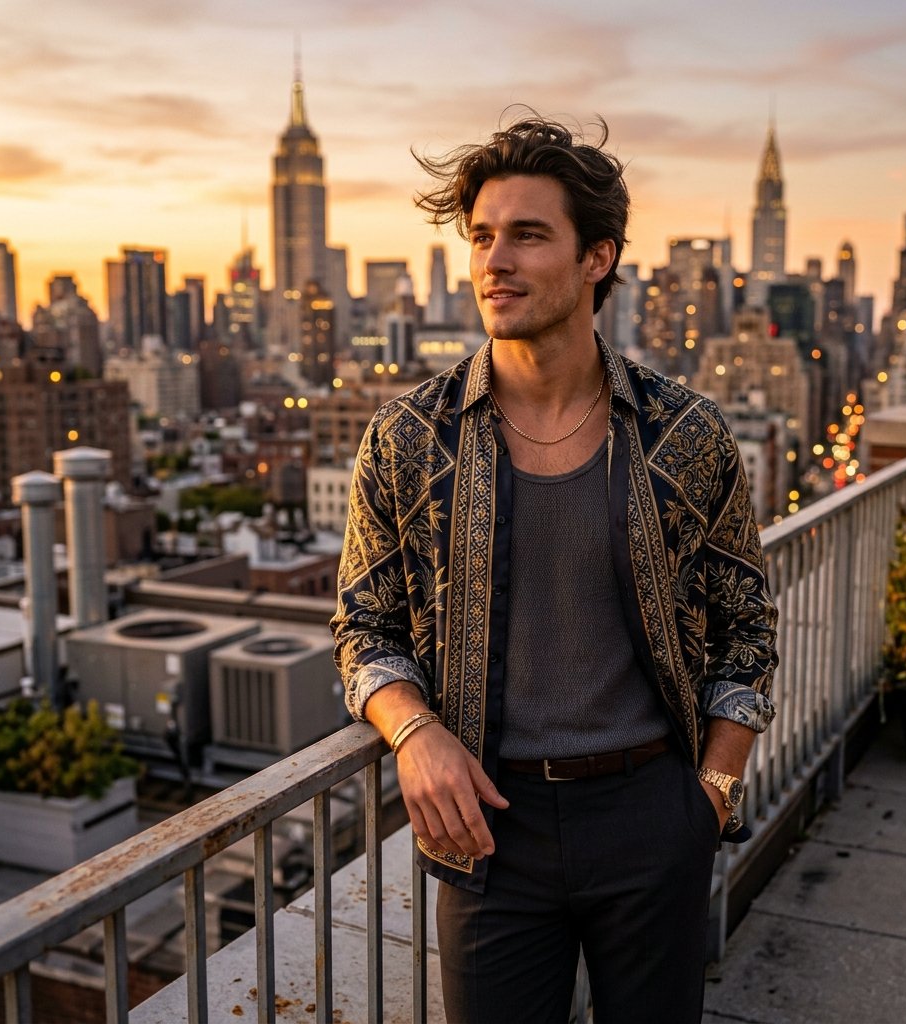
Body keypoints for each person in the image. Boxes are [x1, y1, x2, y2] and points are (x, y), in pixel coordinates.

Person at [332, 112, 778, 1024]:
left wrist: (711, 795)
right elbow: (363, 625)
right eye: (482, 237)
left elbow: (747, 627)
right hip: (488, 827)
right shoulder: (408, 437)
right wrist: (413, 732)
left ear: (596, 259)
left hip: (652, 815)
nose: (495, 261)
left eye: (528, 235)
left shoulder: (686, 432)